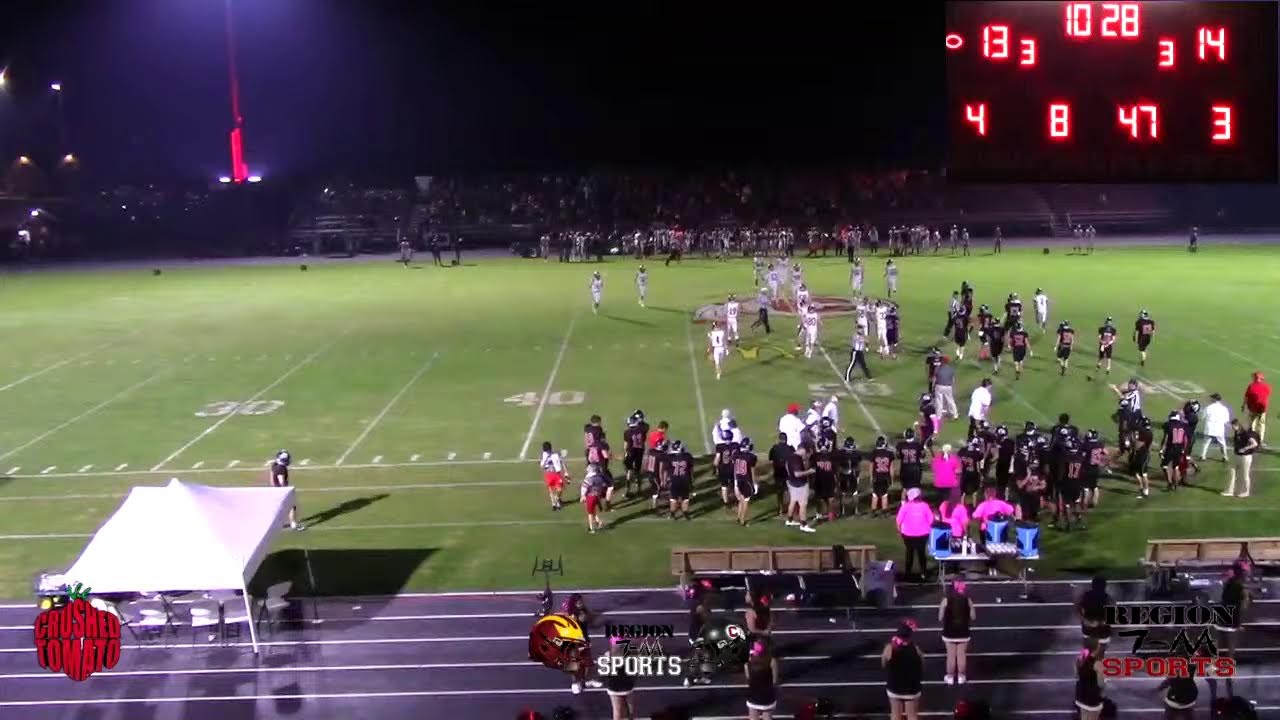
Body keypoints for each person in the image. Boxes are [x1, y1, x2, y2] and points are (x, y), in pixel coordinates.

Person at [882, 621, 923, 720]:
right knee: (912, 715)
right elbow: (922, 665)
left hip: (894, 687)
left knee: (895, 715)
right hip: (912, 688)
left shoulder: (889, 648)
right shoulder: (916, 649)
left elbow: (883, 664)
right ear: (910, 636)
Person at [939, 580, 976, 685]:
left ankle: (950, 677)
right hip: (963, 631)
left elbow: (940, 617)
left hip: (949, 632)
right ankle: (961, 676)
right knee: (961, 655)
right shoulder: (967, 600)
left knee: (951, 655)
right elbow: (973, 617)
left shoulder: (946, 600)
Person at [1215, 561, 1250, 658]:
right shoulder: (1240, 587)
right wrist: (1238, 623)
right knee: (1230, 644)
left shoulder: (1229, 582)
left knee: (1219, 641)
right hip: (1231, 618)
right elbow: (1241, 606)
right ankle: (1228, 662)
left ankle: (1214, 662)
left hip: (1222, 615)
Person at [896, 488, 933, 580]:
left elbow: (899, 520)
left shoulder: (905, 506)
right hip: (923, 533)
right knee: (921, 553)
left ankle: (908, 573)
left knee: (909, 552)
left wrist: (899, 529)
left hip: (908, 534)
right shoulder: (925, 506)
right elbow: (931, 519)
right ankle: (923, 573)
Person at [784, 443, 817, 533]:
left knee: (793, 501)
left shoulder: (790, 456)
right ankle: (803, 525)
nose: (806, 455)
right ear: (804, 450)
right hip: (800, 484)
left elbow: (787, 468)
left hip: (792, 482)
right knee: (803, 504)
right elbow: (797, 474)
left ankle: (789, 520)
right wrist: (810, 471)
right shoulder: (797, 459)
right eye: (807, 453)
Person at [268, 450, 304, 531]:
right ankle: (293, 524)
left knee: (278, 508)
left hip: (275, 489)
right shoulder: (281, 468)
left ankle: (275, 524)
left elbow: (271, 479)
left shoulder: (274, 465)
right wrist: (286, 490)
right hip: (281, 490)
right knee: (291, 506)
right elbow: (281, 481)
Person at [1223, 419, 1260, 497]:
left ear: (1237, 425)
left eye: (1233, 426)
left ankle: (1246, 492)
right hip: (1236, 456)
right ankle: (1230, 491)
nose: (1232, 428)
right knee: (1232, 473)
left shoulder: (1245, 434)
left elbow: (1254, 443)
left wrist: (1245, 448)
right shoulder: (1237, 433)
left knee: (1245, 475)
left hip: (1245, 457)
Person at [744, 641, 779, 720]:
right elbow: (774, 681)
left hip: (753, 694)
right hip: (767, 695)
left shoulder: (748, 663)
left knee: (753, 718)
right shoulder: (772, 661)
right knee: (767, 717)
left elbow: (748, 678)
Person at [604, 636, 637, 720]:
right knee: (631, 710)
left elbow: (604, 672)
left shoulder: (607, 655)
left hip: (613, 687)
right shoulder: (629, 654)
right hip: (627, 686)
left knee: (617, 711)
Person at [1076, 576, 1113, 649]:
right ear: (1105, 586)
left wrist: (1085, 621)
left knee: (1088, 649)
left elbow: (1077, 609)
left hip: (1090, 629)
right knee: (1100, 649)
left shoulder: (1085, 596)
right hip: (1102, 631)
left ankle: (1088, 654)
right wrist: (1100, 623)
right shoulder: (1108, 598)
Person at [1076, 640, 1107, 720]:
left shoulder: (1080, 658)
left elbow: (1076, 675)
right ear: (1096, 648)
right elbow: (1101, 684)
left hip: (1081, 695)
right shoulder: (1098, 664)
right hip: (1093, 697)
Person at [733, 438, 760, 526]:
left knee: (741, 499)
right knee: (746, 501)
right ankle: (743, 520)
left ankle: (738, 517)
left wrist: (735, 480)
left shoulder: (736, 454)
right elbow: (752, 471)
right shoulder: (751, 457)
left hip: (738, 479)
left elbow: (735, 468)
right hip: (746, 481)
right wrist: (754, 483)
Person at [1200, 393, 1232, 461]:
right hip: (1219, 429)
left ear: (1214, 399)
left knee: (1206, 443)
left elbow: (1202, 417)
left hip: (1209, 428)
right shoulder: (1224, 409)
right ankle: (1225, 456)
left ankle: (1203, 456)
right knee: (1222, 444)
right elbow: (1226, 420)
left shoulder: (1208, 408)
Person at [1241, 372, 1270, 445]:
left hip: (1252, 409)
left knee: (1252, 425)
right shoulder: (1266, 386)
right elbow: (1267, 396)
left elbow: (1246, 397)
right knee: (1261, 425)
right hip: (1262, 409)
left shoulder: (1251, 386)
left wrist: (1243, 405)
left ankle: (1252, 439)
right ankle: (1261, 440)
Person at [768, 433, 793, 517]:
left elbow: (771, 460)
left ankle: (780, 509)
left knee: (779, 491)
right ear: (786, 439)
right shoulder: (790, 448)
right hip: (788, 472)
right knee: (789, 490)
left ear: (779, 439)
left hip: (778, 472)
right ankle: (789, 508)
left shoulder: (774, 448)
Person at [540, 442, 569, 511]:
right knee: (551, 490)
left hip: (556, 473)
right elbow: (542, 466)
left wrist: (566, 472)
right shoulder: (544, 456)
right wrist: (545, 459)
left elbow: (562, 462)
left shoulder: (555, 454)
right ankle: (554, 504)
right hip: (549, 474)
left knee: (560, 489)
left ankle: (557, 498)